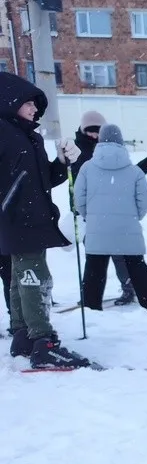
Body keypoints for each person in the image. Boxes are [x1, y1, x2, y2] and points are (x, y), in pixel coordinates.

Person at [0, 72, 94, 368]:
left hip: (33, 215)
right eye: (27, 103)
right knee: (34, 276)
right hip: (15, 217)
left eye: (35, 104)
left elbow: (41, 179)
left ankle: (24, 336)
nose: (34, 109)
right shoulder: (2, 132)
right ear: (9, 101)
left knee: (20, 275)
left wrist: (64, 163)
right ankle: (44, 341)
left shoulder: (30, 136)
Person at [66, 110, 147, 306]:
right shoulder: (77, 151)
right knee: (99, 259)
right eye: (90, 131)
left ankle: (117, 290)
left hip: (97, 216)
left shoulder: (105, 153)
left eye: (97, 131)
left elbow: (128, 176)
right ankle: (95, 297)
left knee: (109, 258)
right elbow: (78, 188)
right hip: (92, 215)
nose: (94, 135)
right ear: (83, 130)